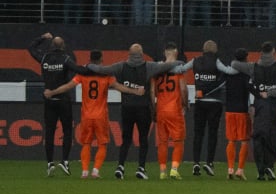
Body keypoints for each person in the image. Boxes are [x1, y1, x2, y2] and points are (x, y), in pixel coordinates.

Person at [43, 51, 144, 179]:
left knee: (86, 143)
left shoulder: (83, 74)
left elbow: (68, 86)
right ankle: (95, 171)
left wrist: (52, 92)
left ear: (89, 59)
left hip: (86, 116)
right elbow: (120, 87)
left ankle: (84, 171)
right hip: (101, 115)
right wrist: (135, 91)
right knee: (102, 144)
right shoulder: (106, 75)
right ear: (101, 60)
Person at [87, 43, 181, 180]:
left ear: (129, 54)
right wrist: (179, 61)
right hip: (143, 108)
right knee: (143, 139)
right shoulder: (149, 66)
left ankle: (120, 166)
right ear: (142, 55)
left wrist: (89, 66)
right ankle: (141, 168)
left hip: (127, 108)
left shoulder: (121, 66)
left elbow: (104, 70)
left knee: (126, 139)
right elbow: (166, 66)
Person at [229, 35, 276, 180]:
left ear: (261, 52)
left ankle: (261, 169)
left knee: (259, 136)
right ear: (273, 51)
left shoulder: (253, 67)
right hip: (275, 105)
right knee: (272, 136)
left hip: (260, 106)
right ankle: (269, 166)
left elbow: (234, 64)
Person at [172, 40, 230, 176]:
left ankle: (196, 163)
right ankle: (209, 163)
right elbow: (227, 71)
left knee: (198, 133)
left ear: (203, 50)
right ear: (215, 50)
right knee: (212, 133)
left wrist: (166, 66)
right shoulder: (217, 61)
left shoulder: (195, 61)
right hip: (215, 102)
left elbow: (180, 70)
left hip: (200, 102)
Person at [29, 33, 84, 176]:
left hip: (49, 102)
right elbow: (79, 70)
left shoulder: (44, 58)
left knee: (50, 132)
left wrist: (42, 37)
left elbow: (31, 48)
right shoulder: (66, 59)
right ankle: (65, 161)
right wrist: (93, 69)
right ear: (63, 46)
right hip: (64, 101)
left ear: (51, 46)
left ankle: (49, 163)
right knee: (67, 131)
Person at [151, 43, 188, 180]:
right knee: (179, 141)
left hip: (161, 109)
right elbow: (183, 89)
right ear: (176, 52)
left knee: (162, 142)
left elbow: (152, 91)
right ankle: (174, 169)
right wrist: (186, 104)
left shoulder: (157, 71)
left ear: (165, 53)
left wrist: (154, 107)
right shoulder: (178, 70)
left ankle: (162, 172)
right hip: (175, 110)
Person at [222, 49, 252, 180]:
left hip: (229, 110)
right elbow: (249, 92)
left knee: (231, 140)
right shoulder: (246, 75)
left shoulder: (228, 74)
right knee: (244, 141)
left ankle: (230, 168)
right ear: (245, 59)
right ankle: (240, 170)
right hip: (242, 111)